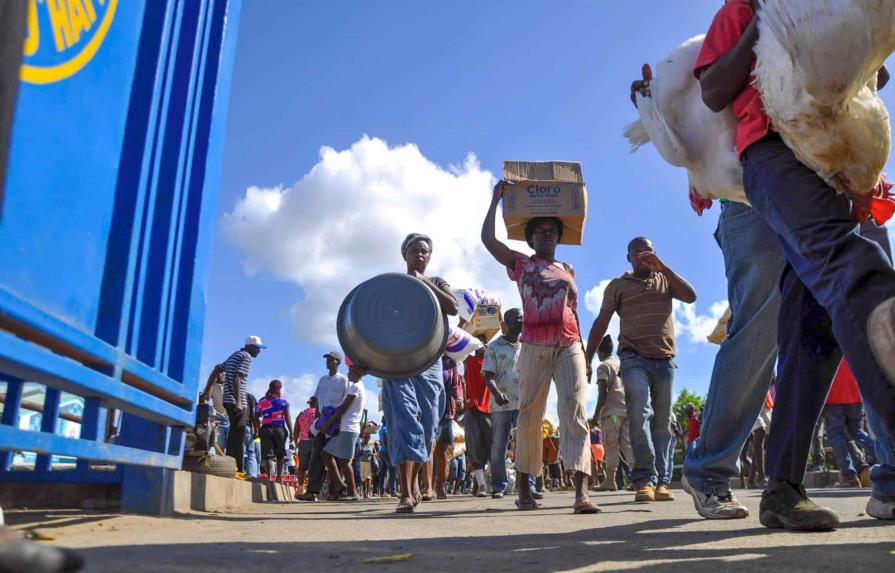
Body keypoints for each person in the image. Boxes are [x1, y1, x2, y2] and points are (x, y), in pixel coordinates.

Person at [695, 0, 895, 528]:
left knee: (815, 326)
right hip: (770, 155)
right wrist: (766, 19)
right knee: (850, 266)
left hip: (832, 163)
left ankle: (782, 489)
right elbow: (713, 90)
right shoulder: (744, 6)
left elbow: (870, 70)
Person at [482, 185, 599, 514]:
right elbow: (489, 242)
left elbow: (574, 311)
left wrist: (586, 354)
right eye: (540, 231)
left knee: (574, 410)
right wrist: (494, 201)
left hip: (569, 343)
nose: (547, 234)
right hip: (533, 344)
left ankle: (582, 493)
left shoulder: (568, 270)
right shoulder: (520, 264)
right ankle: (524, 490)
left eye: (552, 230)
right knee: (530, 414)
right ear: (531, 239)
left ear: (558, 238)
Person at [585, 237, 696, 503]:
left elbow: (691, 297)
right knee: (639, 413)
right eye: (638, 252)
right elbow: (601, 322)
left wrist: (664, 267)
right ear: (629, 258)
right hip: (633, 359)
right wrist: (587, 358)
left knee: (662, 422)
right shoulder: (617, 286)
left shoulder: (665, 279)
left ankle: (663, 482)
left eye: (649, 251)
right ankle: (644, 480)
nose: (643, 256)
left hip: (665, 360)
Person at [380, 233, 459, 513]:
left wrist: (425, 283)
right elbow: (375, 321)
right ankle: (404, 492)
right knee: (402, 421)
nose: (420, 255)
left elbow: (453, 307)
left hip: (429, 363)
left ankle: (414, 483)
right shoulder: (392, 285)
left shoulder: (437, 282)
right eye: (414, 251)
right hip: (397, 362)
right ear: (404, 254)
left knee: (427, 425)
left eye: (425, 251)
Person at [484, 308, 534, 498]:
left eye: (523, 317)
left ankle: (529, 486)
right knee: (499, 446)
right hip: (501, 405)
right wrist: (496, 393)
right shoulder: (494, 346)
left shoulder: (527, 344)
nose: (522, 321)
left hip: (524, 403)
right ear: (507, 322)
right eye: (518, 318)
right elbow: (488, 376)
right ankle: (499, 485)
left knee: (526, 444)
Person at [298, 352, 350, 502]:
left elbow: (345, 403)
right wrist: (316, 422)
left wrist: (339, 423)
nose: (328, 362)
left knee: (336, 458)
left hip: (335, 423)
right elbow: (317, 400)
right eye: (327, 360)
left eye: (331, 360)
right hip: (322, 423)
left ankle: (336, 491)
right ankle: (312, 491)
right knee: (317, 456)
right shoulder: (323, 380)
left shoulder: (343, 381)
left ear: (338, 362)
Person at [591, 335, 635, 492]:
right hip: (626, 410)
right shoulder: (620, 364)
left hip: (612, 413)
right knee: (627, 444)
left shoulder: (603, 366)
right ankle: (639, 479)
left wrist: (595, 416)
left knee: (611, 445)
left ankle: (610, 480)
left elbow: (602, 392)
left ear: (598, 351)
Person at [318, 361, 366, 502]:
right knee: (326, 454)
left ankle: (353, 492)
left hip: (349, 428)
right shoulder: (356, 386)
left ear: (356, 373)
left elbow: (343, 408)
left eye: (350, 372)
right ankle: (339, 484)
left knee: (344, 462)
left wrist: (328, 424)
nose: (347, 374)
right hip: (347, 428)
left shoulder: (355, 387)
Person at [218, 336, 266, 474]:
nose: (258, 351)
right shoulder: (246, 356)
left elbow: (217, 369)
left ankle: (231, 467)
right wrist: (239, 401)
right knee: (238, 437)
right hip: (237, 402)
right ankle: (236, 469)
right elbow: (238, 377)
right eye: (257, 348)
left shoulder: (235, 355)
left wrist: (207, 389)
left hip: (227, 400)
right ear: (250, 346)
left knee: (234, 435)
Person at [825, 361, 871, 488]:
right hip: (855, 393)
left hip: (834, 395)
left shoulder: (829, 343)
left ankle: (849, 476)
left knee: (835, 435)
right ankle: (888, 456)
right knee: (857, 432)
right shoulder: (853, 342)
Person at [463, 339, 492, 498]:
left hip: (490, 410)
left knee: (492, 448)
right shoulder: (469, 361)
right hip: (472, 409)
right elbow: (459, 346)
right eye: (479, 344)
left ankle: (484, 481)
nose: (482, 347)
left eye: (485, 344)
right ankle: (481, 485)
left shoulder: (493, 362)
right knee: (475, 447)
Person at [434, 356, 464, 499]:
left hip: (446, 410)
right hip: (428, 408)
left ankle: (440, 486)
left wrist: (459, 398)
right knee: (427, 448)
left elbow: (456, 384)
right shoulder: (426, 356)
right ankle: (424, 485)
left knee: (442, 451)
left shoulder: (451, 361)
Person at [256, 380, 293, 484]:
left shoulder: (262, 401)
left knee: (268, 455)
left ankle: (268, 477)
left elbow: (256, 416)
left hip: (266, 428)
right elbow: (287, 417)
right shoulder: (283, 401)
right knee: (280, 454)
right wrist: (291, 432)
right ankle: (279, 477)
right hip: (279, 429)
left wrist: (258, 429)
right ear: (279, 388)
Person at [293, 396, 317, 496]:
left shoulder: (301, 414)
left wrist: (296, 442)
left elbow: (296, 429)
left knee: (302, 467)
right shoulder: (318, 414)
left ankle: (300, 487)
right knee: (314, 466)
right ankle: (311, 489)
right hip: (315, 442)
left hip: (303, 442)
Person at [378, 418, 397, 497]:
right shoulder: (386, 429)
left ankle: (382, 491)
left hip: (381, 452)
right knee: (393, 472)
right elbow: (386, 441)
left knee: (383, 472)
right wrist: (390, 452)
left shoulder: (380, 429)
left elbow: (381, 442)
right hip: (387, 452)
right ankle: (393, 491)